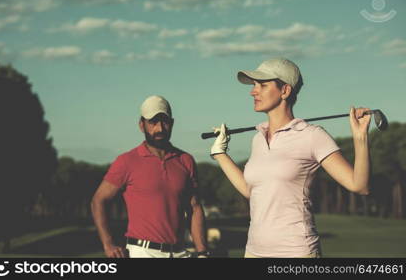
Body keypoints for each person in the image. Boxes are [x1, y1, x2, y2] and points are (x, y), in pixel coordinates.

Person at [210, 58, 371, 258]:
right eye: (253, 85)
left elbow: (359, 185)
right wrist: (220, 154)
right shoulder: (257, 139)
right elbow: (250, 190)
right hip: (253, 251)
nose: (253, 91)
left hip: (296, 252)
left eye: (262, 85)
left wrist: (360, 137)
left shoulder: (312, 136)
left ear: (285, 91)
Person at [92, 95, 209, 258]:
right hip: (143, 252)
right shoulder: (127, 161)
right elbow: (99, 200)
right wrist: (108, 244)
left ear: (172, 123)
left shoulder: (185, 160)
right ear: (142, 125)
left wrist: (203, 251)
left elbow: (194, 207)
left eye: (165, 122)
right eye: (153, 122)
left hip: (180, 252)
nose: (160, 128)